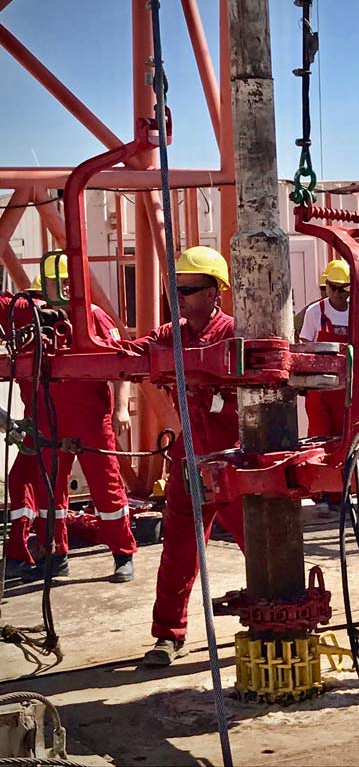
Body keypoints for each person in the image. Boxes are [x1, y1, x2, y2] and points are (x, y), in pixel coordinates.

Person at [134, 246, 244, 667]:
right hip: (188, 459)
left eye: (190, 288)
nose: (178, 296)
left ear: (217, 292)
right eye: (174, 287)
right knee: (178, 548)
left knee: (263, 543)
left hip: (234, 461)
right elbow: (132, 353)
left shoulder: (235, 333)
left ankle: (281, 617)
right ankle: (167, 635)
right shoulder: (170, 335)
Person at [2, 254, 137, 583]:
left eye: (66, 282)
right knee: (50, 495)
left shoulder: (92, 317)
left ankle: (123, 554)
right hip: (47, 422)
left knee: (107, 490)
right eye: (54, 284)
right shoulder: (26, 321)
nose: (61, 288)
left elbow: (121, 362)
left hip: (91, 421)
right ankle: (56, 553)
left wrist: (121, 409)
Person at [299, 259, 350, 438]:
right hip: (318, 390)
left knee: (345, 439)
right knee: (319, 440)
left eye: (342, 288)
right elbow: (305, 346)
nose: (336, 293)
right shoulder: (314, 312)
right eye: (332, 287)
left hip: (345, 391)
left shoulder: (356, 313)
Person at [293, 267, 328, 340]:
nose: (326, 292)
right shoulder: (312, 309)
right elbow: (294, 327)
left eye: (340, 289)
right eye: (323, 288)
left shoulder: (351, 310)